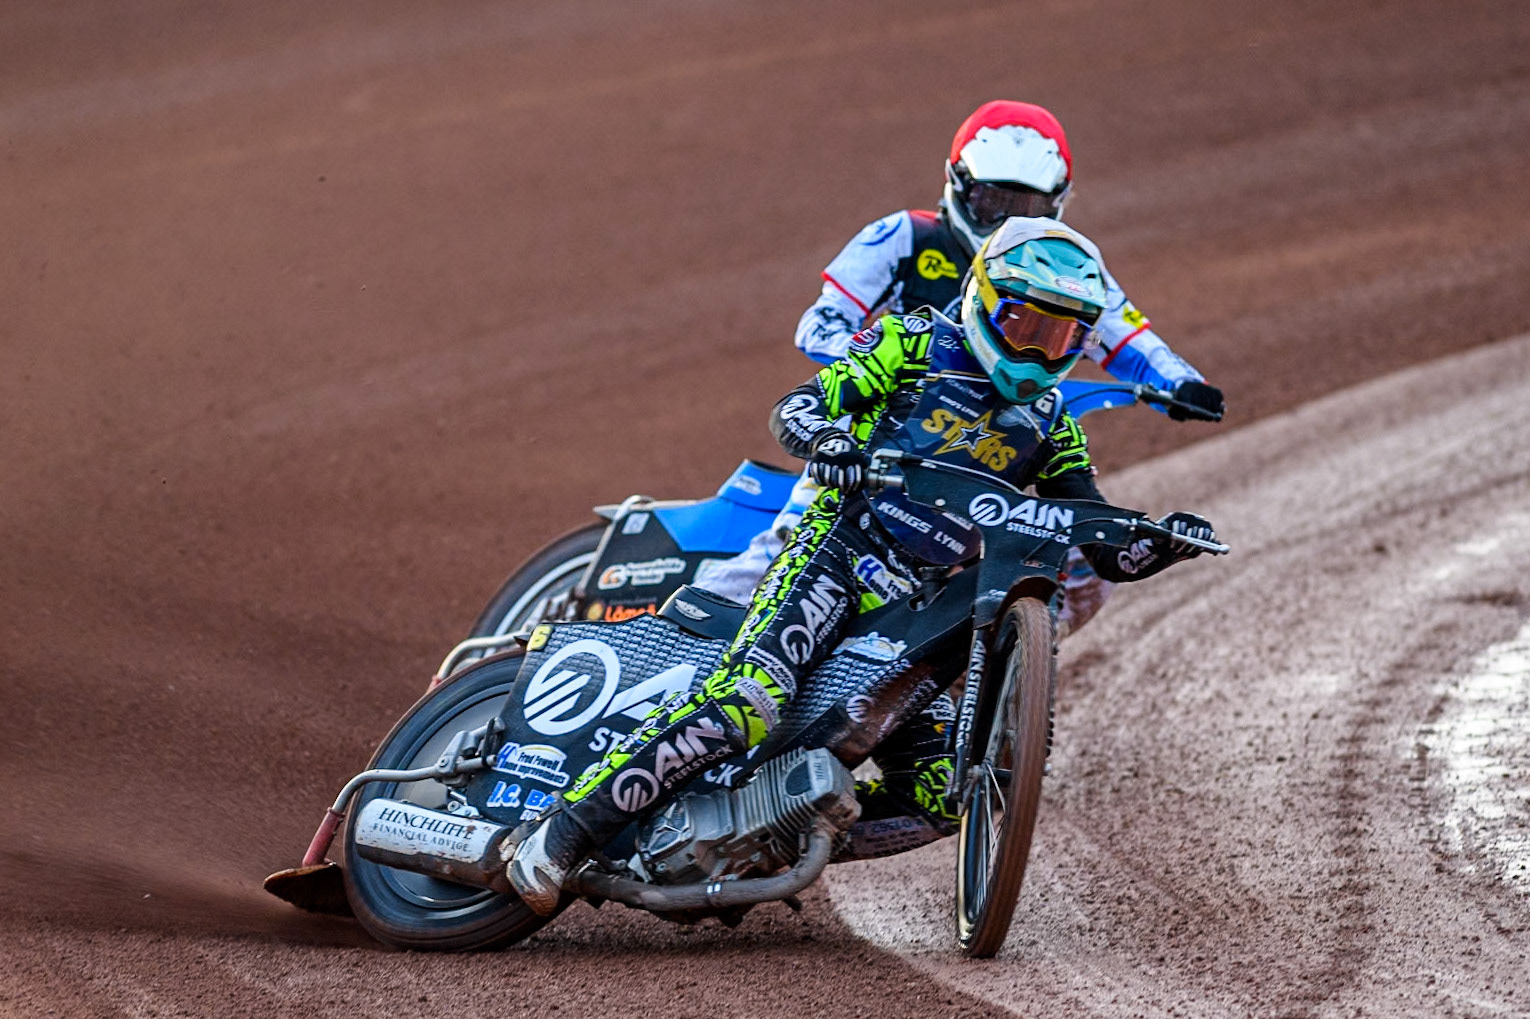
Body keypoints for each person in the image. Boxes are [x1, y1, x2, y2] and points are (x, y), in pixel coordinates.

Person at [507, 218, 1218, 914]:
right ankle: (557, 838)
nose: (1035, 348)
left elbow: (1101, 544)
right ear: (983, 298)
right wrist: (826, 438)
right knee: (746, 703)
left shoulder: (1053, 424)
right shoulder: (911, 341)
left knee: (942, 794)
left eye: (1058, 333)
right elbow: (799, 405)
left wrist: (1160, 544)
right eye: (1024, 322)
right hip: (838, 553)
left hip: (916, 613)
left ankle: (762, 834)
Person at [694, 100, 1223, 641]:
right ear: (958, 184)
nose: (1004, 218)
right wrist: (890, 362)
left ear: (1059, 203)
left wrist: (1181, 384)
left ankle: (1001, 682)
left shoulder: (1065, 273)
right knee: (795, 541)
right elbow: (819, 324)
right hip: (885, 428)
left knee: (1083, 562)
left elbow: (1130, 337)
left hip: (998, 443)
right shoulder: (903, 236)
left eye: (1027, 206)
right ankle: (687, 629)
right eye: (992, 199)